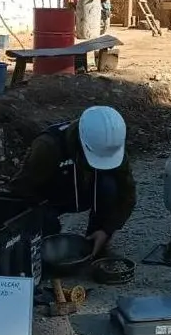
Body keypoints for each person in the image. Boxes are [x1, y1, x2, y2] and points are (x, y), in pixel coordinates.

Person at [9, 106, 136, 259]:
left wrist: (106, 229)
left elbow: (127, 192)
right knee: (46, 229)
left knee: (110, 185)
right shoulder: (48, 146)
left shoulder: (112, 147)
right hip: (51, 197)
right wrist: (41, 219)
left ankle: (95, 241)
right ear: (81, 143)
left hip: (86, 191)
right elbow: (20, 189)